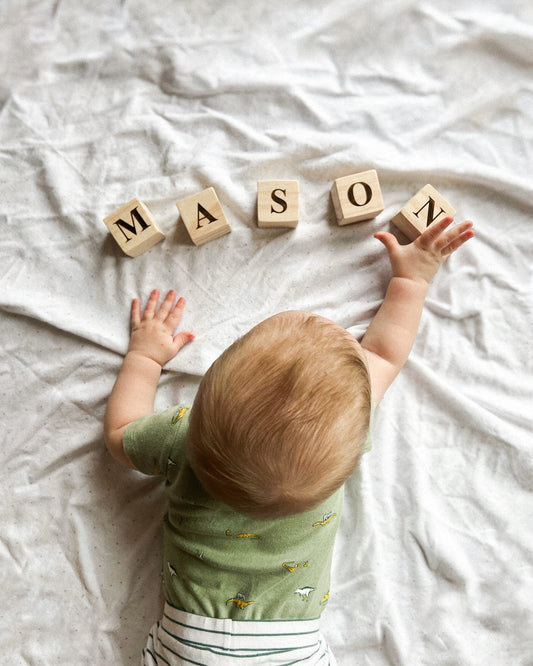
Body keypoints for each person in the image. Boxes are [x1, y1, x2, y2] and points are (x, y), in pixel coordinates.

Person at [104, 216, 474, 664]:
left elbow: (120, 435)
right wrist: (412, 280)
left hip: (188, 645)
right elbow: (383, 352)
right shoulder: (341, 432)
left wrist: (144, 357)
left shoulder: (182, 437)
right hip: (291, 650)